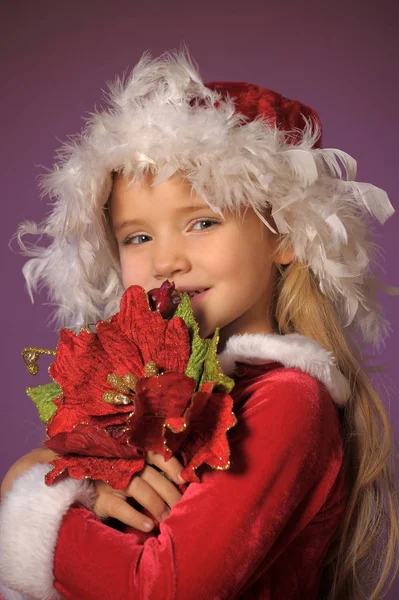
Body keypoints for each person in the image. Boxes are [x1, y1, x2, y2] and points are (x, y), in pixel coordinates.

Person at [0, 50, 397, 600]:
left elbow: (161, 589)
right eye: (138, 237)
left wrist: (24, 499)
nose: (166, 262)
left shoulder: (285, 400)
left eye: (203, 222)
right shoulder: (137, 395)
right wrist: (79, 483)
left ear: (283, 234)